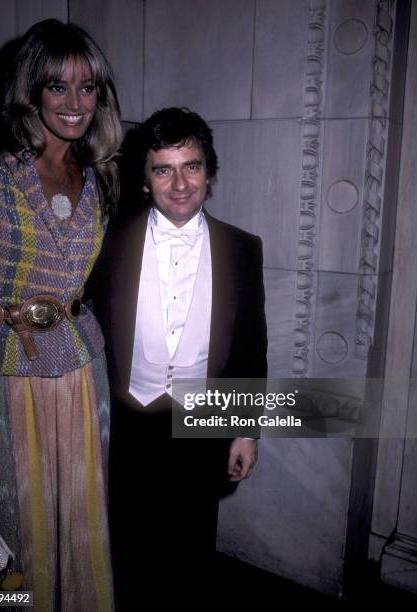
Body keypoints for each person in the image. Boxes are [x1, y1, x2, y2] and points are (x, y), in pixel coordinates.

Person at [0, 19, 121, 610]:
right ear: (31, 90)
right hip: (1, 374)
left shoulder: (103, 174)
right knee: (2, 536)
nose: (75, 104)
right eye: (58, 87)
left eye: (88, 88)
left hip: (81, 375)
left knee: (79, 522)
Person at [90, 107, 267, 610]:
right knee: (126, 551)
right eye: (163, 169)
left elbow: (253, 344)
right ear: (145, 180)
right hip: (127, 421)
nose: (180, 183)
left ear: (210, 173)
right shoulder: (108, 240)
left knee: (191, 557)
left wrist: (246, 429)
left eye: (191, 166)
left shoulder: (243, 248)